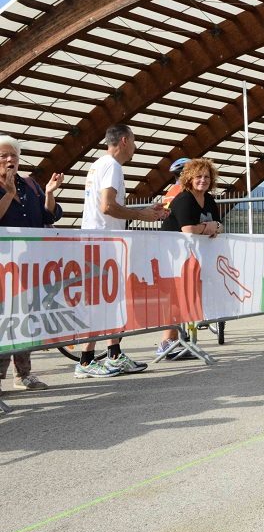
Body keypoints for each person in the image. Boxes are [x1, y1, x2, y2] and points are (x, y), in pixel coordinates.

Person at [77, 124, 166, 379]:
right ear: (125, 141)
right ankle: (86, 360)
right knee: (101, 300)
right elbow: (107, 207)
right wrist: (142, 215)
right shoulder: (112, 166)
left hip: (100, 239)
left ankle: (113, 354)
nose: (136, 147)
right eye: (134, 141)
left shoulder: (100, 164)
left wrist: (145, 210)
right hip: (103, 241)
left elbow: (106, 206)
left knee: (109, 299)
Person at [0, 135, 64, 393]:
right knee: (4, 321)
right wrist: (9, 194)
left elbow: (49, 215)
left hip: (29, 266)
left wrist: (49, 193)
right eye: (3, 156)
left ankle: (23, 374)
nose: (10, 160)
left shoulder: (29, 184)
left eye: (13, 155)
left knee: (25, 320)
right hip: (3, 267)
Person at [158, 158, 223, 356]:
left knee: (186, 297)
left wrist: (212, 227)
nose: (203, 180)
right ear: (189, 179)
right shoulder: (184, 199)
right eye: (198, 177)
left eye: (206, 177)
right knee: (176, 298)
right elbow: (188, 229)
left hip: (193, 257)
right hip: (173, 254)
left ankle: (177, 341)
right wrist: (208, 227)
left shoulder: (209, 199)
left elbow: (219, 225)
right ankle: (166, 342)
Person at [157, 157, 193, 358]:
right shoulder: (183, 192)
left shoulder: (171, 191)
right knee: (177, 296)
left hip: (171, 246)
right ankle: (167, 342)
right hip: (177, 247)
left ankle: (171, 340)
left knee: (177, 296)